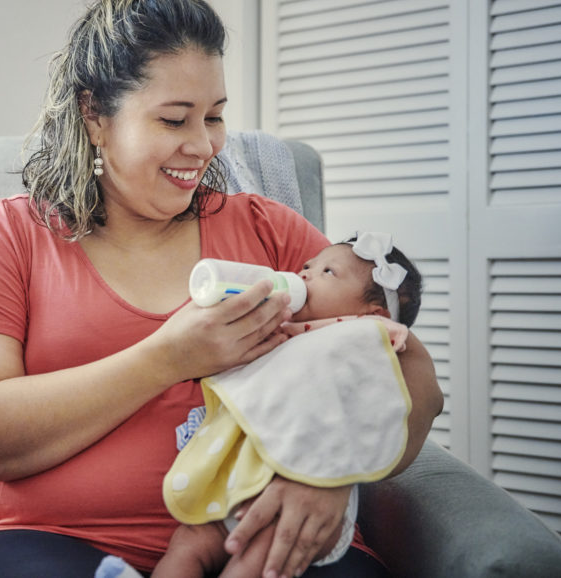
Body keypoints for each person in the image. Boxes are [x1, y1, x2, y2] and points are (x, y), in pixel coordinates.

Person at [0, 0, 443, 578]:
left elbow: (411, 378)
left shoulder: (269, 231)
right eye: (174, 119)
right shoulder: (3, 236)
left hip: (255, 534)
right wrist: (168, 357)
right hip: (42, 539)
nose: (203, 145)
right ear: (94, 115)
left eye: (215, 117)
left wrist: (329, 473)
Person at [154, 234, 423, 578]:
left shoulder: (363, 340)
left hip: (295, 498)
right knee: (186, 545)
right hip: (234, 486)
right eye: (308, 266)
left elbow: (377, 402)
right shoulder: (279, 328)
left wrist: (377, 333)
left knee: (257, 560)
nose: (306, 273)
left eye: (328, 272)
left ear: (373, 313)